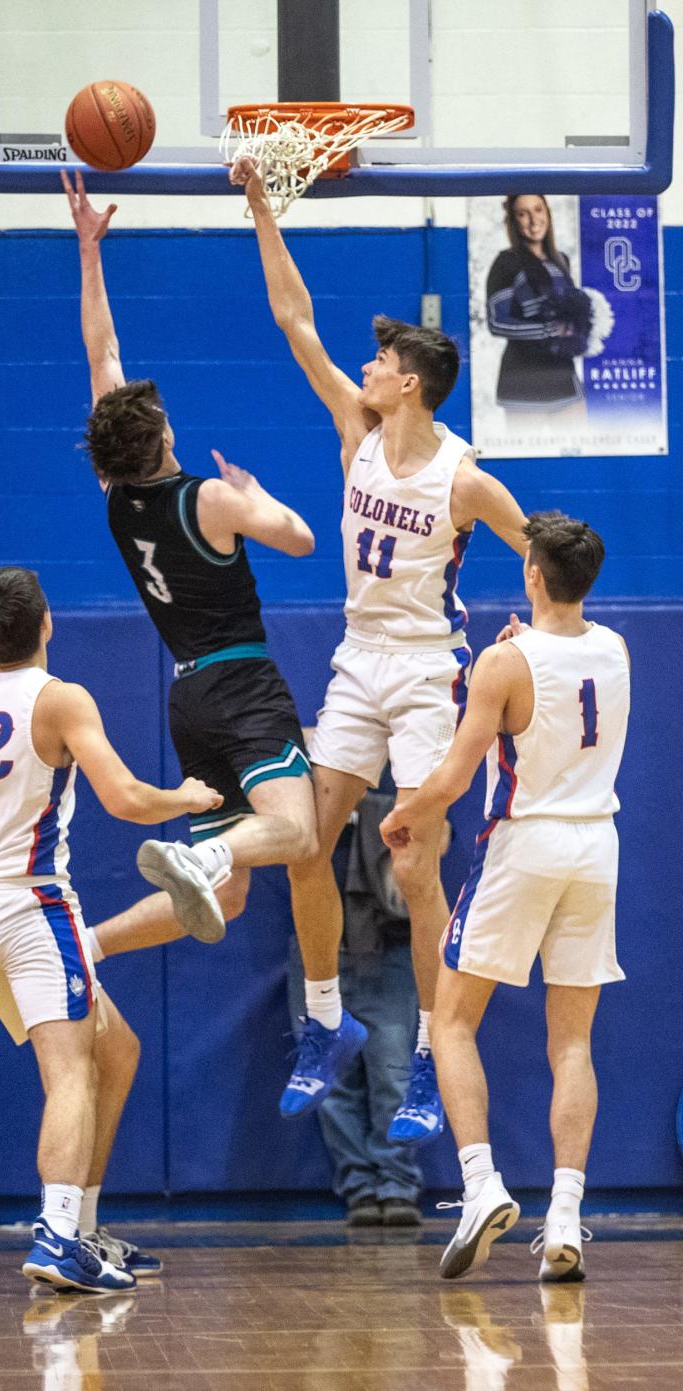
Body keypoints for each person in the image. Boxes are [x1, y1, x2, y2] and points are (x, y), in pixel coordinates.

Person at [230, 155, 529, 1145]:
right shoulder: (355, 428)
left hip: (429, 672)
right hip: (359, 662)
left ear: (411, 382)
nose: (364, 368)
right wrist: (262, 204)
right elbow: (293, 319)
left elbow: (543, 549)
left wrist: (538, 619)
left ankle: (438, 1062)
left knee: (413, 870)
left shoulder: (465, 475)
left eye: (380, 361)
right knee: (301, 839)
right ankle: (327, 1024)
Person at [63, 169, 367, 1118]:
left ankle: (88, 944)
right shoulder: (211, 497)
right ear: (162, 436)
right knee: (300, 831)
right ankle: (200, 860)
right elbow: (306, 538)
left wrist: (89, 250)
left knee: (231, 897)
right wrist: (261, 493)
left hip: (185, 694)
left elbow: (101, 355)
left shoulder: (120, 502)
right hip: (241, 682)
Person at [0, 566, 223, 1292]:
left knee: (115, 1047)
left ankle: (83, 1228)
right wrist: (184, 795)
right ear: (46, 623)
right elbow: (126, 798)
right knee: (70, 1072)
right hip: (33, 905)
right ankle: (58, 1234)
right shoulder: (60, 698)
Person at [381, 512, 629, 1282]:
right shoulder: (616, 647)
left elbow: (453, 777)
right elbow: (555, 680)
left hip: (524, 843)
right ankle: (566, 1214)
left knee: (452, 1019)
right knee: (573, 1041)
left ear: (532, 574)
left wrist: (401, 815)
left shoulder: (505, 664)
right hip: (597, 846)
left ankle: (482, 1182)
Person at [286, 776, 425, 1227]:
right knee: (330, 1081)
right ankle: (359, 1186)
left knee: (394, 1073)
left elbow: (437, 840)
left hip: (390, 946)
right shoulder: (301, 793)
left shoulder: (409, 777)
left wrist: (372, 810)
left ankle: (397, 1183)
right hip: (320, 953)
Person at [486, 194, 600, 416]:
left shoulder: (561, 259)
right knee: (526, 449)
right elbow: (497, 323)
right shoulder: (506, 262)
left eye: (538, 210)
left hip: (563, 374)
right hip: (523, 378)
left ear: (548, 213)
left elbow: (570, 311)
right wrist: (548, 330)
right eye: (522, 213)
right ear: (513, 221)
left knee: (578, 447)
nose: (533, 220)